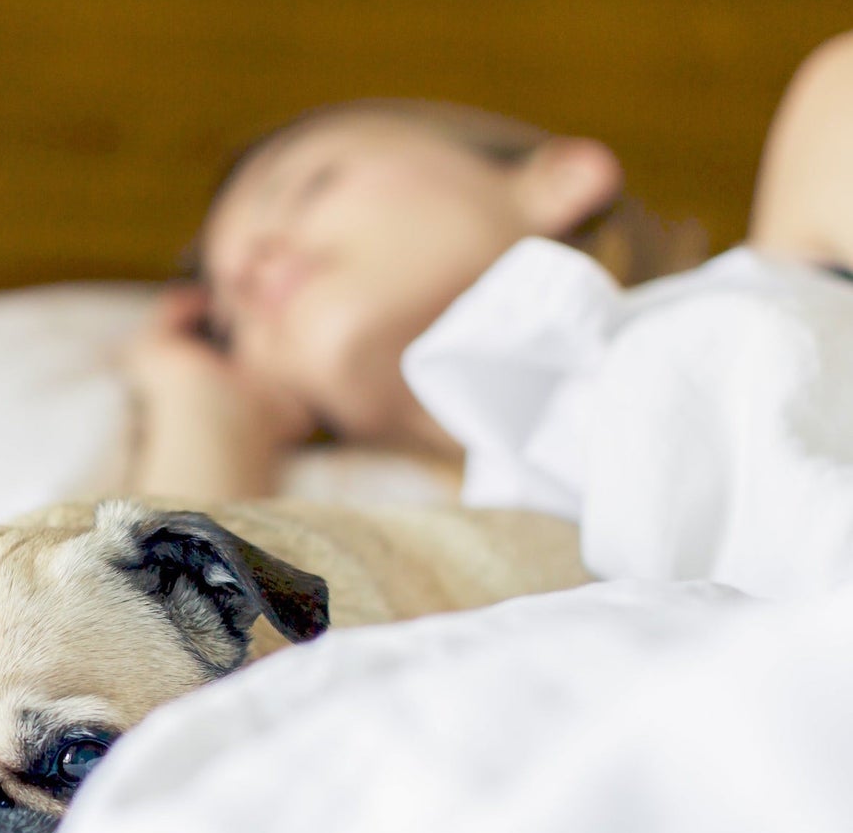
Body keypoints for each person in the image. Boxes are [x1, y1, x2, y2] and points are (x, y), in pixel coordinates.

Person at [122, 32, 853, 504]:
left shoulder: (817, 182)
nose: (249, 263)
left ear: (559, 178)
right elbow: (153, 696)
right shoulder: (454, 609)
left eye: (308, 186)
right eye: (227, 314)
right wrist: (203, 411)